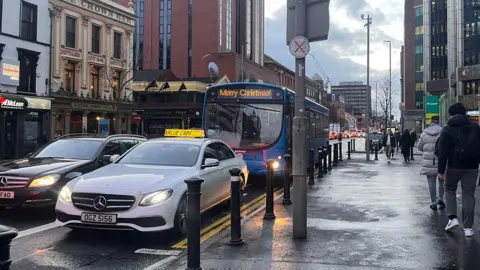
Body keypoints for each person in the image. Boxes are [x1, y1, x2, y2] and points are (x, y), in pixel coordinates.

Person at [437, 103, 480, 237]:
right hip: (472, 167)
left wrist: (441, 170)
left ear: (451, 114)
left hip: (454, 166)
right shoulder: (476, 128)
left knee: (449, 190)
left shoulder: (447, 129)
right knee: (468, 195)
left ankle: (452, 218)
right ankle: (468, 228)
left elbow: (442, 152)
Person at [417, 116, 444, 210]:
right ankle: (441, 198)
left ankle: (433, 202)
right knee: (442, 180)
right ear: (439, 121)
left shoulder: (424, 133)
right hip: (441, 160)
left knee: (431, 183)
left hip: (429, 161)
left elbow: (419, 147)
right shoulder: (443, 131)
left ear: (431, 121)